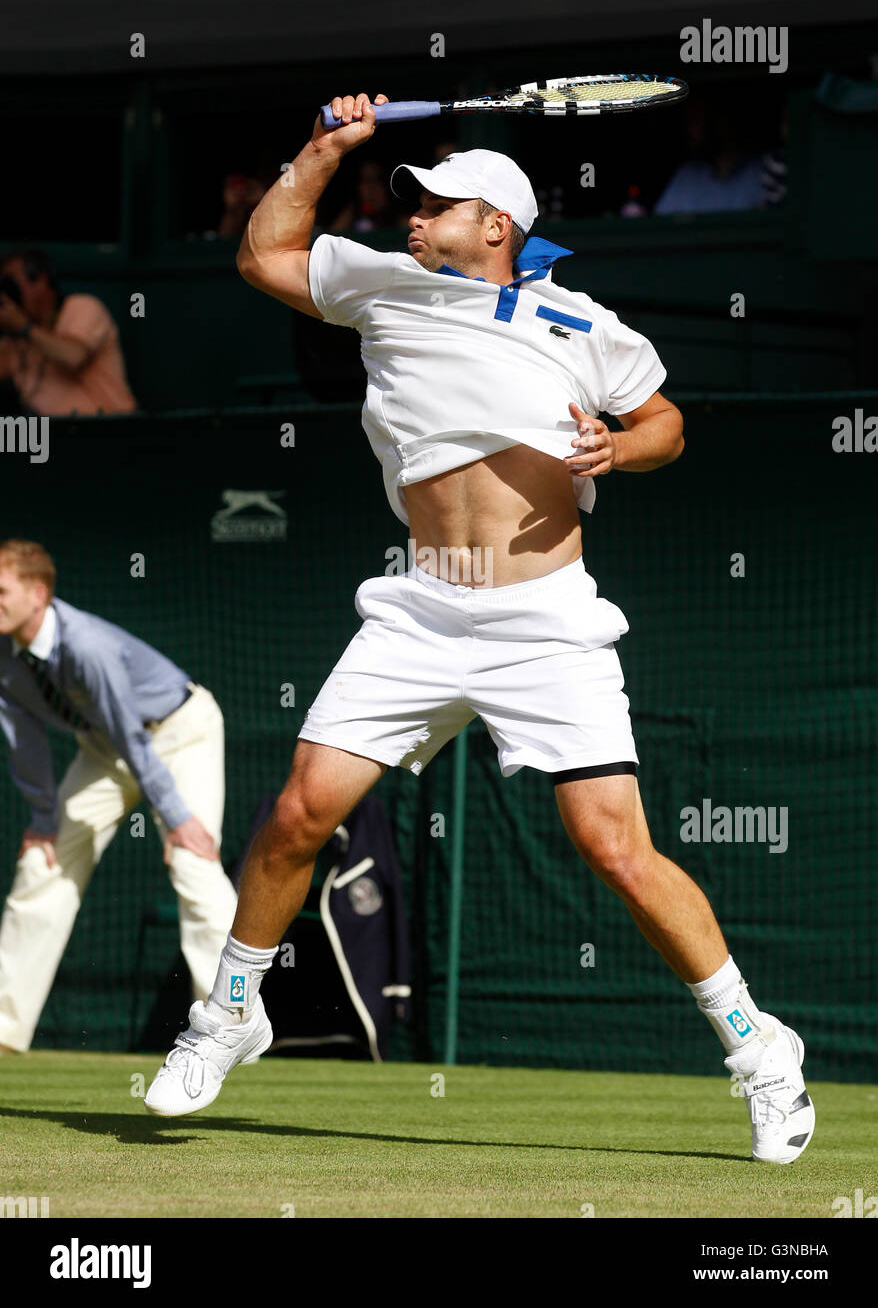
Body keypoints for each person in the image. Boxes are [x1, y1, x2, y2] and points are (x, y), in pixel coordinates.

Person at [145, 94, 815, 1168]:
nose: (408, 216)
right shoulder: (383, 285)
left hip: (546, 618)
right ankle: (230, 1013)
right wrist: (328, 147)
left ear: (495, 223)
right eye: (405, 203)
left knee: (615, 850)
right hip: (419, 606)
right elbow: (264, 254)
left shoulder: (583, 324)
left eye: (433, 204)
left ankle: (757, 1048)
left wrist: (621, 451)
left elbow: (666, 422)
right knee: (297, 813)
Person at [0, 540, 237, 1053]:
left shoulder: (86, 645)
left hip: (180, 732)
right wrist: (44, 817)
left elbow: (132, 735)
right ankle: (3, 1028)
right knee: (42, 863)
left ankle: (232, 1024)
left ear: (38, 594)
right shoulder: (4, 651)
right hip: (106, 749)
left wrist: (175, 817)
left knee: (194, 864)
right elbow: (23, 734)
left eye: (1, 591)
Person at [0, 248, 136, 417]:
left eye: (11, 284)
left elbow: (73, 356)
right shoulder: (14, 341)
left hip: (107, 430)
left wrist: (23, 326)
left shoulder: (81, 307)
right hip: (52, 436)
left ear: (41, 280)